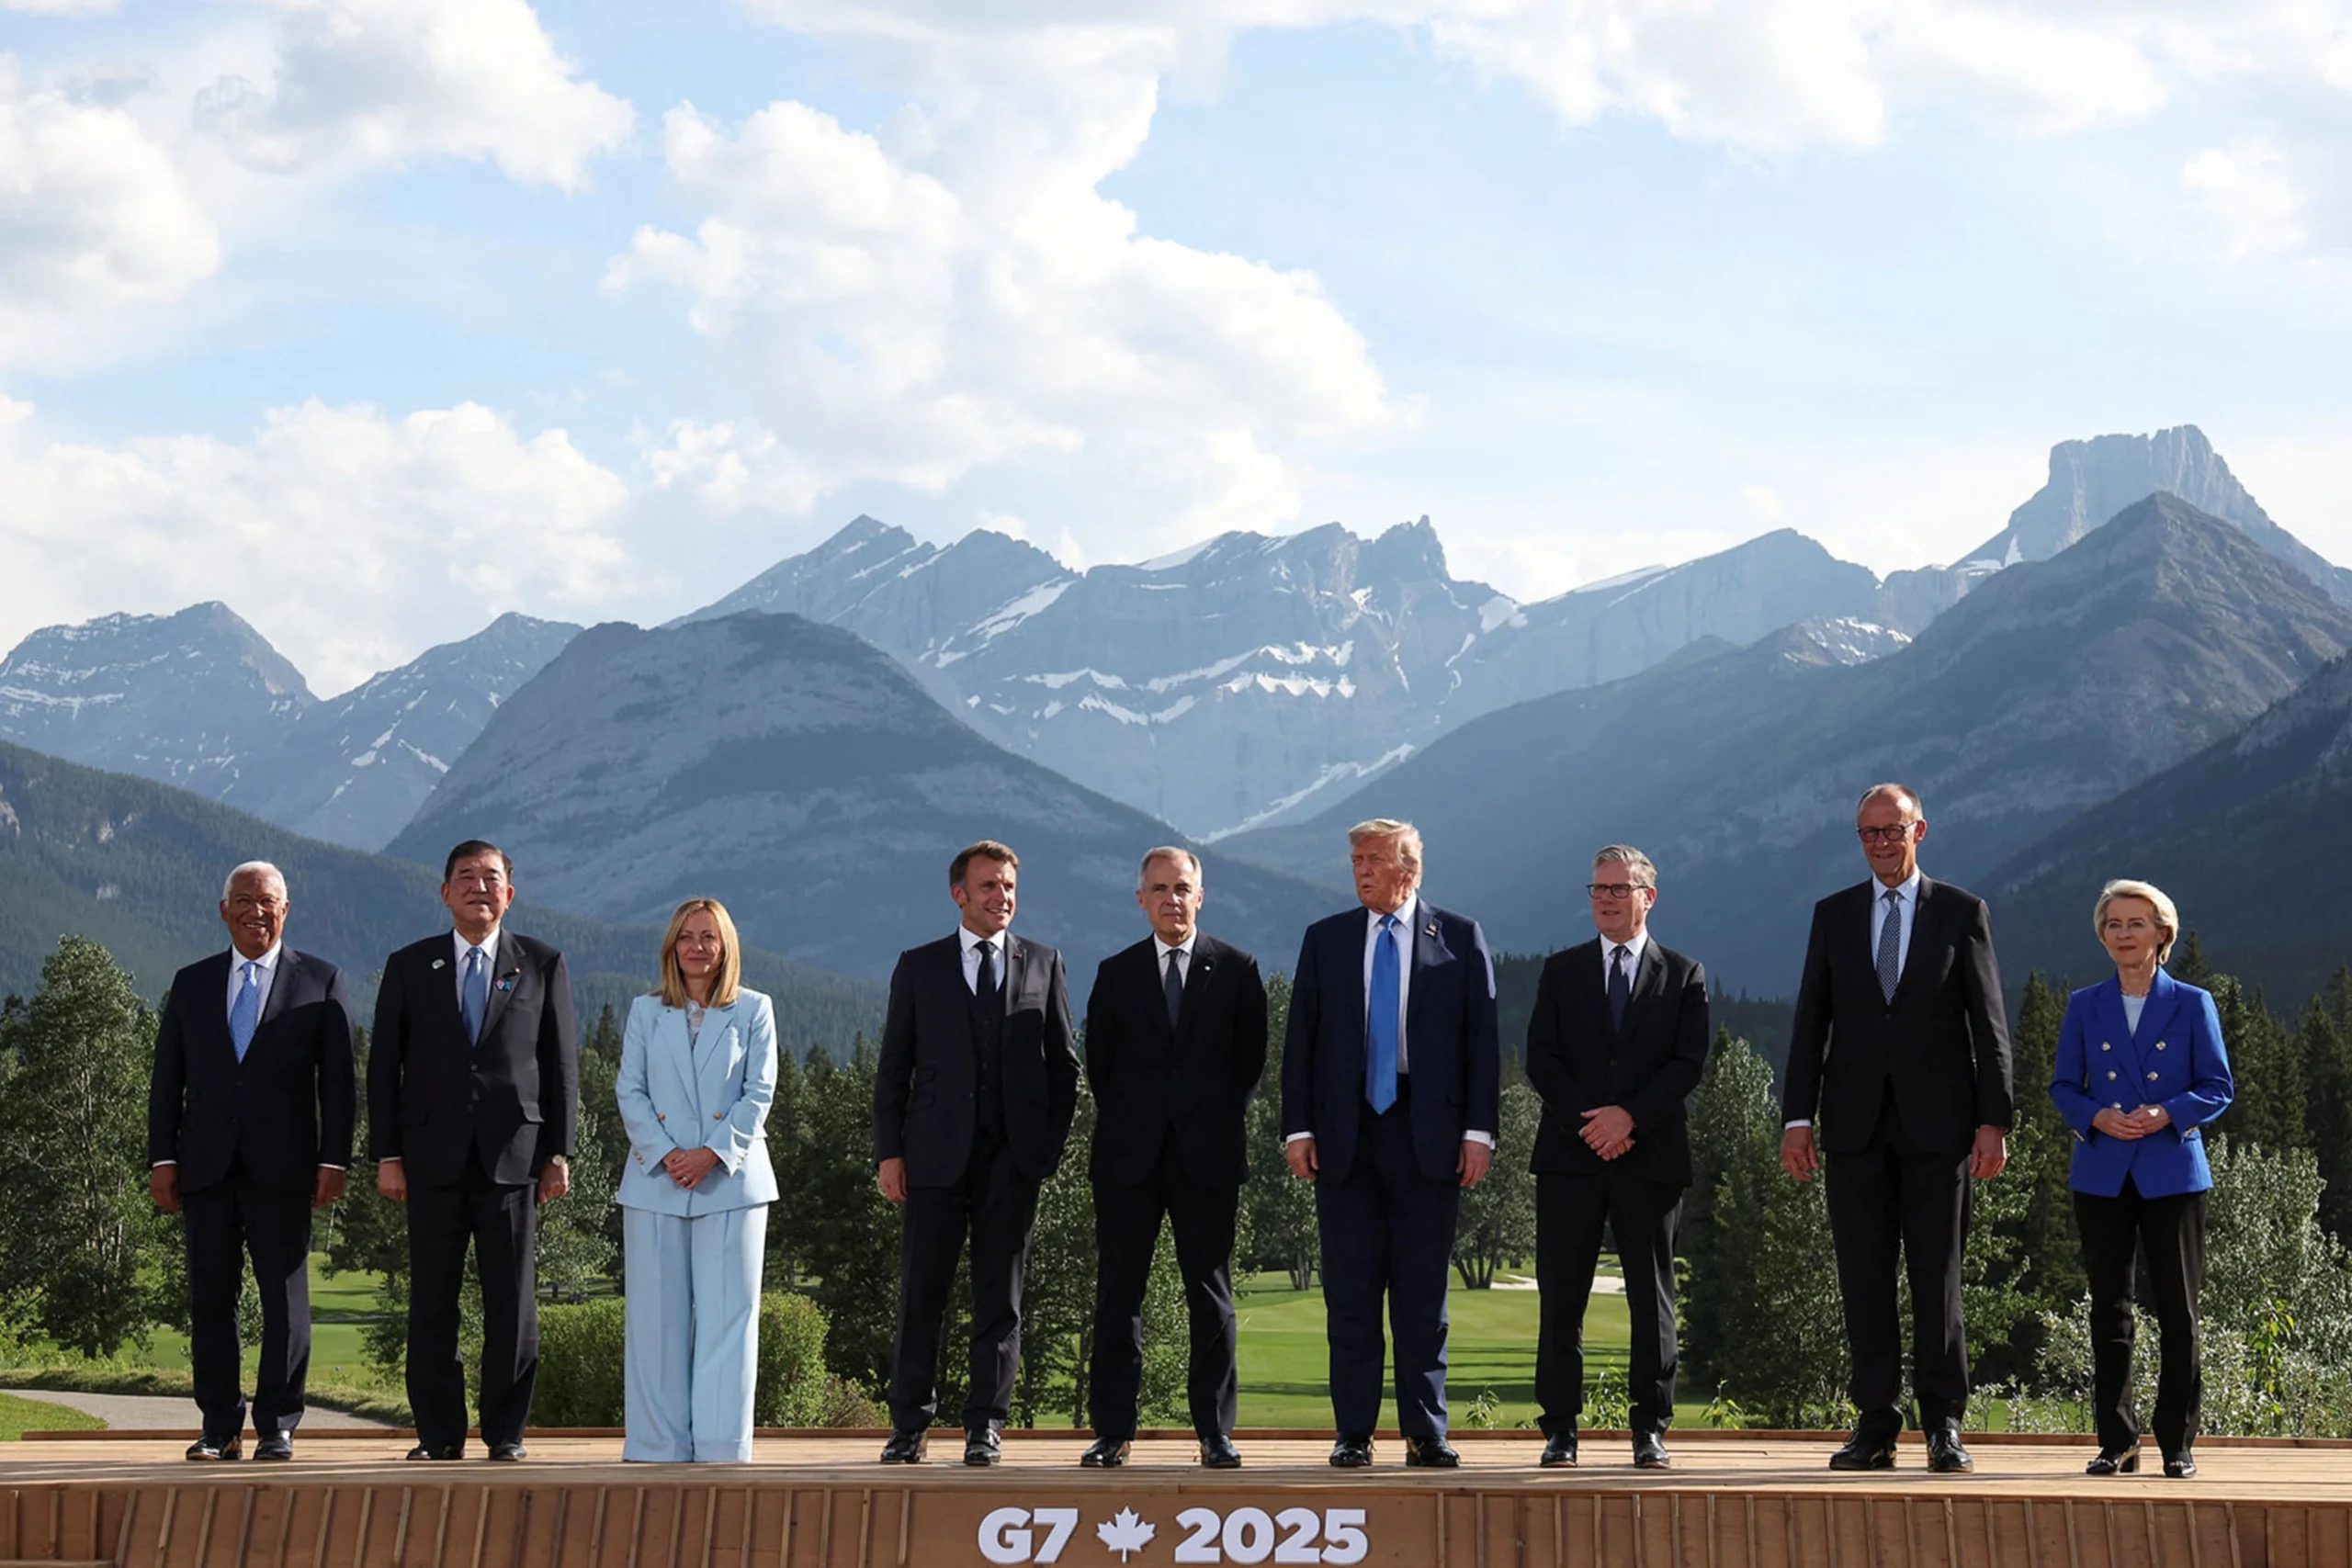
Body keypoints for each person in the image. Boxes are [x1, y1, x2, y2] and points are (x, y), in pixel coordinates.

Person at [1781, 784, 2013, 1474]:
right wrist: (1798, 1117)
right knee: (1864, 1280)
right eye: (1868, 832)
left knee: (1938, 1280)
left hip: (1940, 1131)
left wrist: (1994, 1119)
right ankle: (1875, 1424)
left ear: (1920, 831)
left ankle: (1944, 1425)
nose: (1881, 842)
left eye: (1893, 829)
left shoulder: (1962, 912)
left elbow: (1989, 1025)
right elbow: (1809, 1024)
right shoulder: (1833, 914)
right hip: (1851, 1129)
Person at [1282, 818, 1500, 1469]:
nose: (1361, 869)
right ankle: (1354, 1431)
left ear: (1411, 870)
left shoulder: (1459, 937)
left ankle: (1425, 1431)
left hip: (1428, 1135)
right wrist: (1299, 1128)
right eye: (1356, 859)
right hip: (1346, 1136)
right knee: (1349, 1292)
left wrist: (1478, 1132)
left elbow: (1481, 1045)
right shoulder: (1326, 940)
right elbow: (1302, 1042)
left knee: (1421, 1294)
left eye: (1374, 858)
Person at [370, 840, 580, 1462]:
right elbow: (384, 1068)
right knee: (432, 1300)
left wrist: (560, 1152)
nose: (479, 887)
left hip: (514, 1156)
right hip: (430, 1157)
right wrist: (386, 1152)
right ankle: (437, 1434)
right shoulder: (410, 965)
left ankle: (505, 1431)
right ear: (444, 892)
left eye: (491, 878)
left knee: (511, 1303)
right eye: (466, 877)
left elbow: (561, 1065)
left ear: (509, 893)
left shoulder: (542, 962)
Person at [873, 841, 1080, 1466]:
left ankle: (985, 1423)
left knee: (1001, 1296)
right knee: (922, 1293)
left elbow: (1066, 1067)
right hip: (932, 1158)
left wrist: (1045, 1148)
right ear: (959, 893)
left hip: (1013, 1161)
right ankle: (909, 1424)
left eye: (1009, 885)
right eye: (989, 885)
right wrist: (890, 1153)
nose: (1002, 896)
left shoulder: (1044, 962)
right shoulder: (919, 966)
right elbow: (893, 1070)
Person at [147, 862, 356, 1462]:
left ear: (285, 910)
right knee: (211, 1299)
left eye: (267, 901)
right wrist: (163, 1156)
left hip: (286, 1167)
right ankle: (218, 1425)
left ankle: (278, 1424)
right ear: (223, 909)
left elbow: (339, 1087)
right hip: (204, 1165)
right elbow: (168, 1080)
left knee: (284, 1299)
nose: (254, 910)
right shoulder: (191, 983)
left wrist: (335, 1159)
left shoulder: (321, 980)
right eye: (243, 900)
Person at [1080, 847, 1268, 1470]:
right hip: (1127, 1159)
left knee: (1210, 1297)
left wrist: (1202, 1119)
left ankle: (1215, 1432)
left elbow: (1249, 1065)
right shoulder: (1115, 972)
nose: (1171, 898)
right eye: (1158, 888)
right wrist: (1142, 1122)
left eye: (1182, 886)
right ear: (1141, 898)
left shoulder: (1238, 969)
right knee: (1118, 1297)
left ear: (1200, 893)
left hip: (1208, 1158)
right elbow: (1101, 1068)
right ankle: (1113, 1431)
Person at [1522, 846, 1709, 1471]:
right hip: (1571, 1159)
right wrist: (1593, 1123)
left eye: (1618, 888)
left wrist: (1629, 1117)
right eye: (1597, 887)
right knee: (1562, 1296)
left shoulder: (1684, 974)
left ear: (1647, 896)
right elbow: (1541, 1059)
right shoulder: (1561, 970)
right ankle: (1559, 1429)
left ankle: (1649, 1428)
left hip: (1649, 1158)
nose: (1604, 898)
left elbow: (1687, 1063)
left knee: (1652, 1298)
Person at [2050, 880, 2233, 1480]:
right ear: (2103, 935)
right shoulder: (2084, 1004)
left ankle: (2177, 1442)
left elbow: (2217, 1085)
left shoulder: (2193, 1001)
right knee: (2110, 1309)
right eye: (2114, 924)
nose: (2124, 934)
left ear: (2163, 933)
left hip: (2172, 1172)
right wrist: (2095, 1114)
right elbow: (2062, 1087)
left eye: (2136, 923)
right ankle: (2117, 1441)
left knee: (2178, 1310)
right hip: (2102, 1171)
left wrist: (2167, 1112)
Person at [616, 898, 780, 1463]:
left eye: (709, 936)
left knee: (728, 1319)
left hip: (732, 1181)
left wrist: (711, 1153)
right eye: (686, 936)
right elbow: (629, 1091)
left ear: (726, 945)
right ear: (671, 946)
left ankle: (720, 1446)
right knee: (654, 1322)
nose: (697, 947)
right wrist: (667, 1155)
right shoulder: (644, 1011)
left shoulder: (755, 1009)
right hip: (655, 1180)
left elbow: (759, 1093)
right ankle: (656, 1444)